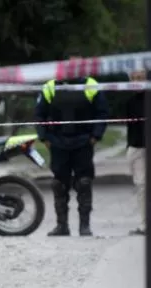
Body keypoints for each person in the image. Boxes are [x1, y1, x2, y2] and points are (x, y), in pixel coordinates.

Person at [34, 61, 110, 237]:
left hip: (83, 141)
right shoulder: (50, 86)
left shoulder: (91, 85)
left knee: (84, 182)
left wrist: (95, 136)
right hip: (58, 142)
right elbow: (39, 114)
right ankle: (62, 226)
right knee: (59, 184)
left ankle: (85, 226)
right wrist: (44, 137)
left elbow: (102, 112)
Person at [125, 69, 146, 235]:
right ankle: (144, 224)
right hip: (136, 148)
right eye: (135, 78)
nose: (138, 81)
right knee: (141, 186)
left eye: (141, 78)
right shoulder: (130, 102)